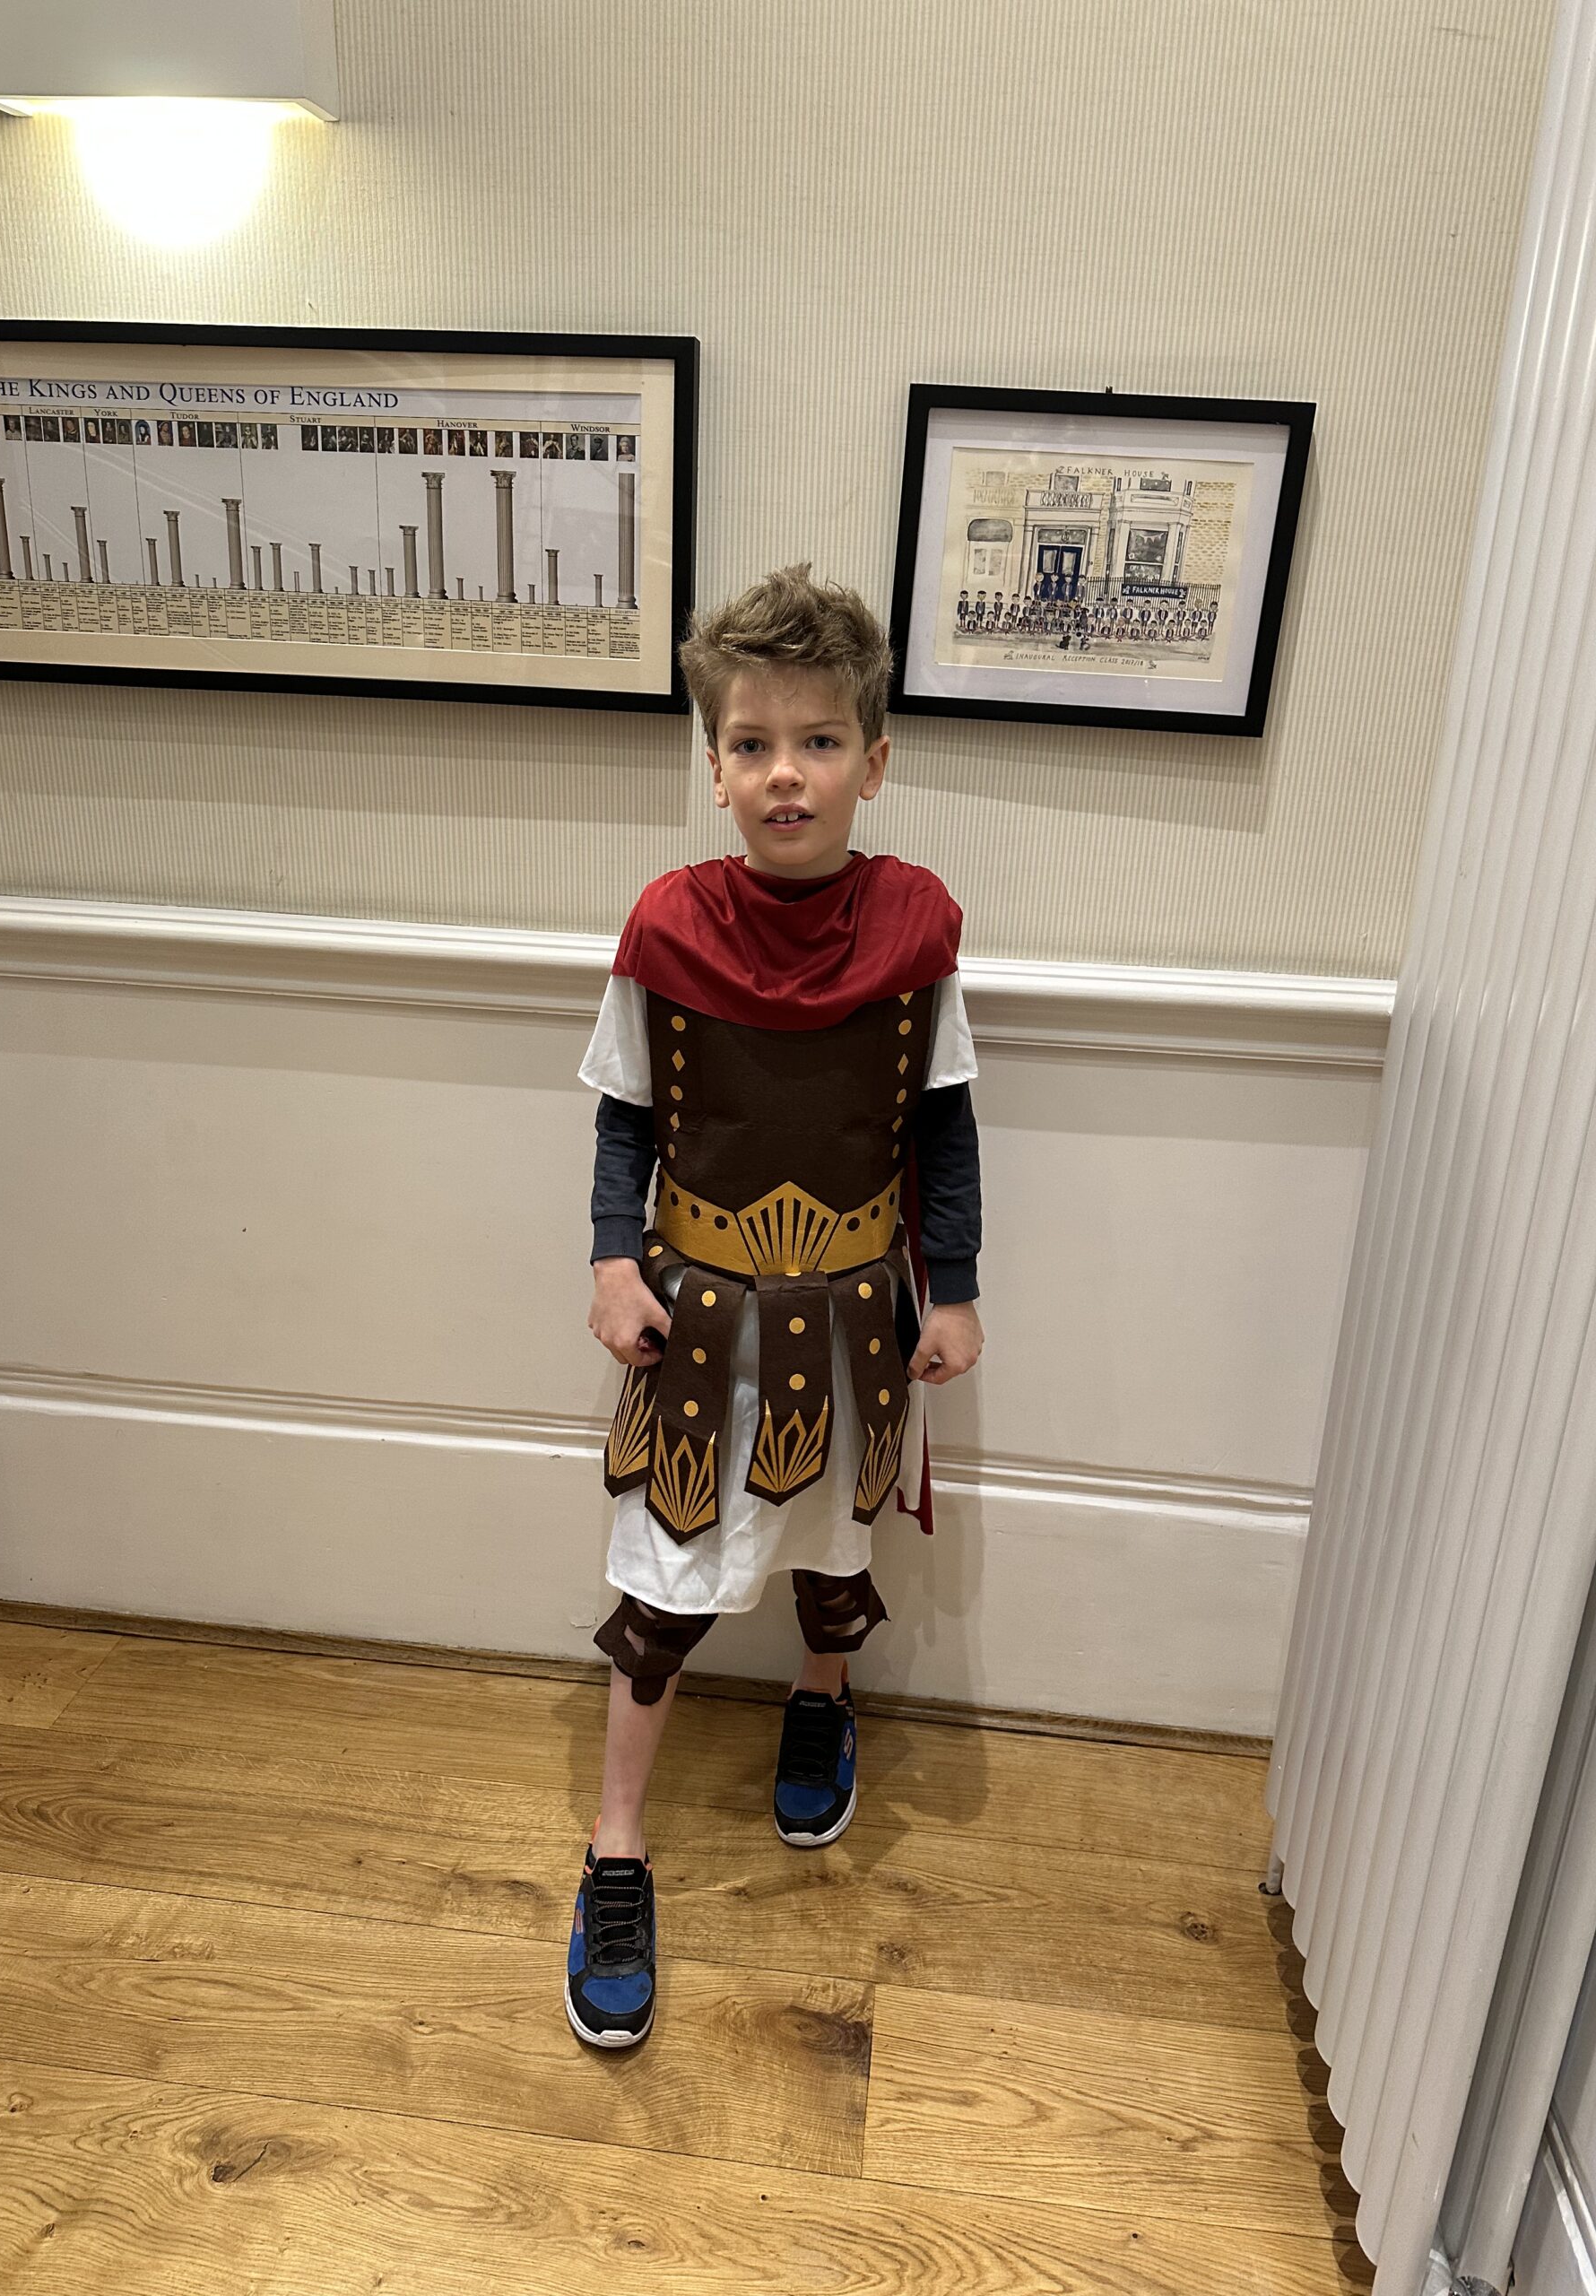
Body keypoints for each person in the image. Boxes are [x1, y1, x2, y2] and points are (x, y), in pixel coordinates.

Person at [567, 563, 984, 2048]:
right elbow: (625, 1115)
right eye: (752, 744)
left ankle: (822, 1699)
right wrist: (612, 1260)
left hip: (856, 1313)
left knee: (831, 1544)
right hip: (700, 1318)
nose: (785, 774)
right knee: (663, 1587)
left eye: (818, 741)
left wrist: (958, 1288)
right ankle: (617, 1846)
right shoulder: (667, 926)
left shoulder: (918, 928)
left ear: (875, 759)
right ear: (714, 764)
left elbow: (943, 1124)